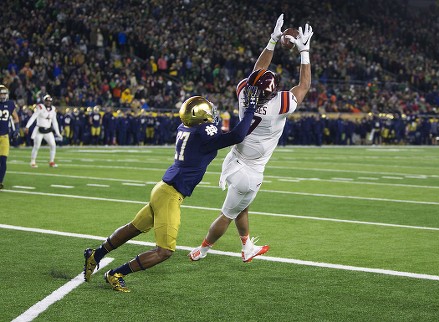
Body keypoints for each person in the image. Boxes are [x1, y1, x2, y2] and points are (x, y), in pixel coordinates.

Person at [83, 88, 260, 292]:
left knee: (133, 228)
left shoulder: (185, 128)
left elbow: (213, 133)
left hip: (162, 189)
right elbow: (238, 135)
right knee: (165, 251)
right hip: (170, 194)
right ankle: (117, 273)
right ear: (201, 116)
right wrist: (251, 109)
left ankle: (95, 254)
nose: (213, 115)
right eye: (208, 111)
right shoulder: (203, 132)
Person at [188, 14, 313, 263]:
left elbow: (258, 71)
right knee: (228, 214)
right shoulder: (281, 104)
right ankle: (201, 250)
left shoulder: (245, 93)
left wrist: (272, 41)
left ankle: (247, 247)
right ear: (274, 91)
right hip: (251, 171)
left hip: (234, 159)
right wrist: (305, 52)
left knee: (241, 206)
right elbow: (304, 85)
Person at [25, 94, 63, 168]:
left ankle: (51, 161)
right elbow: (33, 117)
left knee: (53, 145)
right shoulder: (40, 107)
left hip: (48, 130)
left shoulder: (53, 109)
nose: (48, 102)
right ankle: (33, 161)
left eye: (50, 101)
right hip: (39, 129)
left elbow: (54, 122)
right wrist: (27, 126)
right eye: (47, 101)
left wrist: (57, 132)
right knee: (36, 146)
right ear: (44, 101)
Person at [0, 85, 20, 190]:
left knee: (3, 160)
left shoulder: (10, 104)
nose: (2, 95)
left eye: (4, 93)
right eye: (0, 93)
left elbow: (16, 118)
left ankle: (0, 181)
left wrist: (16, 130)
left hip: (4, 136)